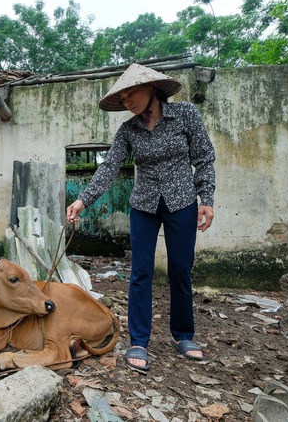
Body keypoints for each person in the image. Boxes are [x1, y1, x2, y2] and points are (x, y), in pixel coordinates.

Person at [66, 63, 216, 373]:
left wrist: (207, 199)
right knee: (140, 272)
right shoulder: (128, 130)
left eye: (131, 93)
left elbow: (203, 158)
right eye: (121, 99)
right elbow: (109, 168)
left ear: (151, 89)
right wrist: (83, 200)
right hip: (144, 205)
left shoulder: (186, 114)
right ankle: (139, 340)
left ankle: (183, 335)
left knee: (179, 270)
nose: (127, 101)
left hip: (182, 202)